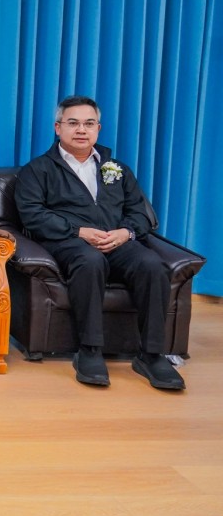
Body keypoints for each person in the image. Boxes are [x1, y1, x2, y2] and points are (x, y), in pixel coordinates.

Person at [14, 95, 183, 391]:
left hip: (116, 241)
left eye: (89, 123)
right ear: (58, 127)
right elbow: (32, 215)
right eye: (73, 123)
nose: (81, 130)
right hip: (68, 242)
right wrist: (79, 231)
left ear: (98, 128)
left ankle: (152, 355)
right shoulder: (37, 170)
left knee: (152, 265)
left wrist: (126, 233)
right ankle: (89, 350)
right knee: (90, 261)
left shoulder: (117, 169)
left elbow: (140, 212)